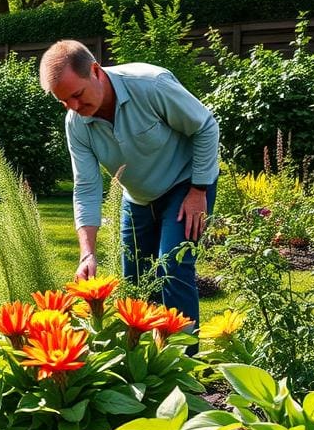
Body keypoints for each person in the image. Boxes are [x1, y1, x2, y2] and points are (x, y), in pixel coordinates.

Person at [38, 40, 219, 330]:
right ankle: (148, 367)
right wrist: (88, 253)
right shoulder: (75, 122)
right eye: (63, 101)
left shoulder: (151, 85)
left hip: (185, 185)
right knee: (136, 284)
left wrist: (199, 191)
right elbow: (86, 187)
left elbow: (205, 126)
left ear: (95, 71)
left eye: (77, 95)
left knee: (172, 269)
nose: (73, 107)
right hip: (137, 198)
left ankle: (187, 365)